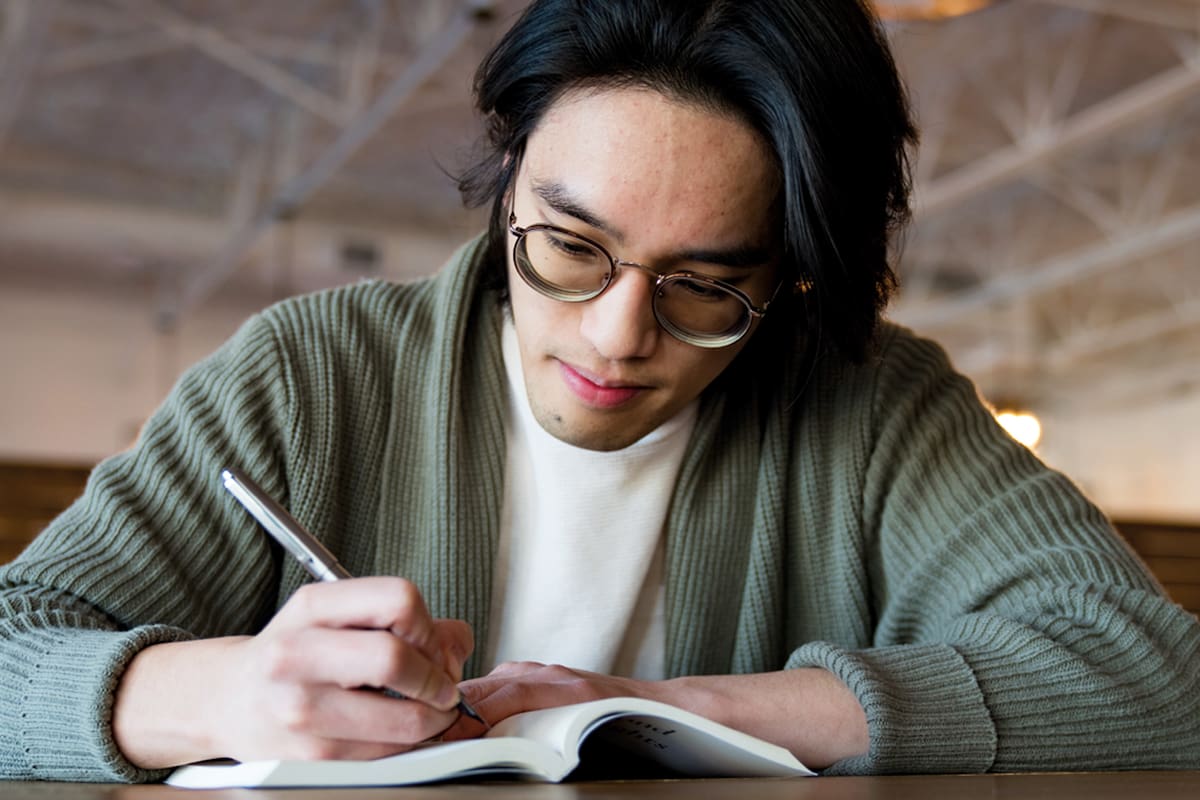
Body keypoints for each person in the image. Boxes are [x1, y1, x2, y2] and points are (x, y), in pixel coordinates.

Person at [2, 0, 1197, 783]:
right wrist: (222, 695)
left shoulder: (872, 402)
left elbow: (1153, 672)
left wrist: (672, 707)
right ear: (509, 175)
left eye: (707, 286)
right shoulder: (309, 374)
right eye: (569, 248)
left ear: (789, 282)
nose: (618, 336)